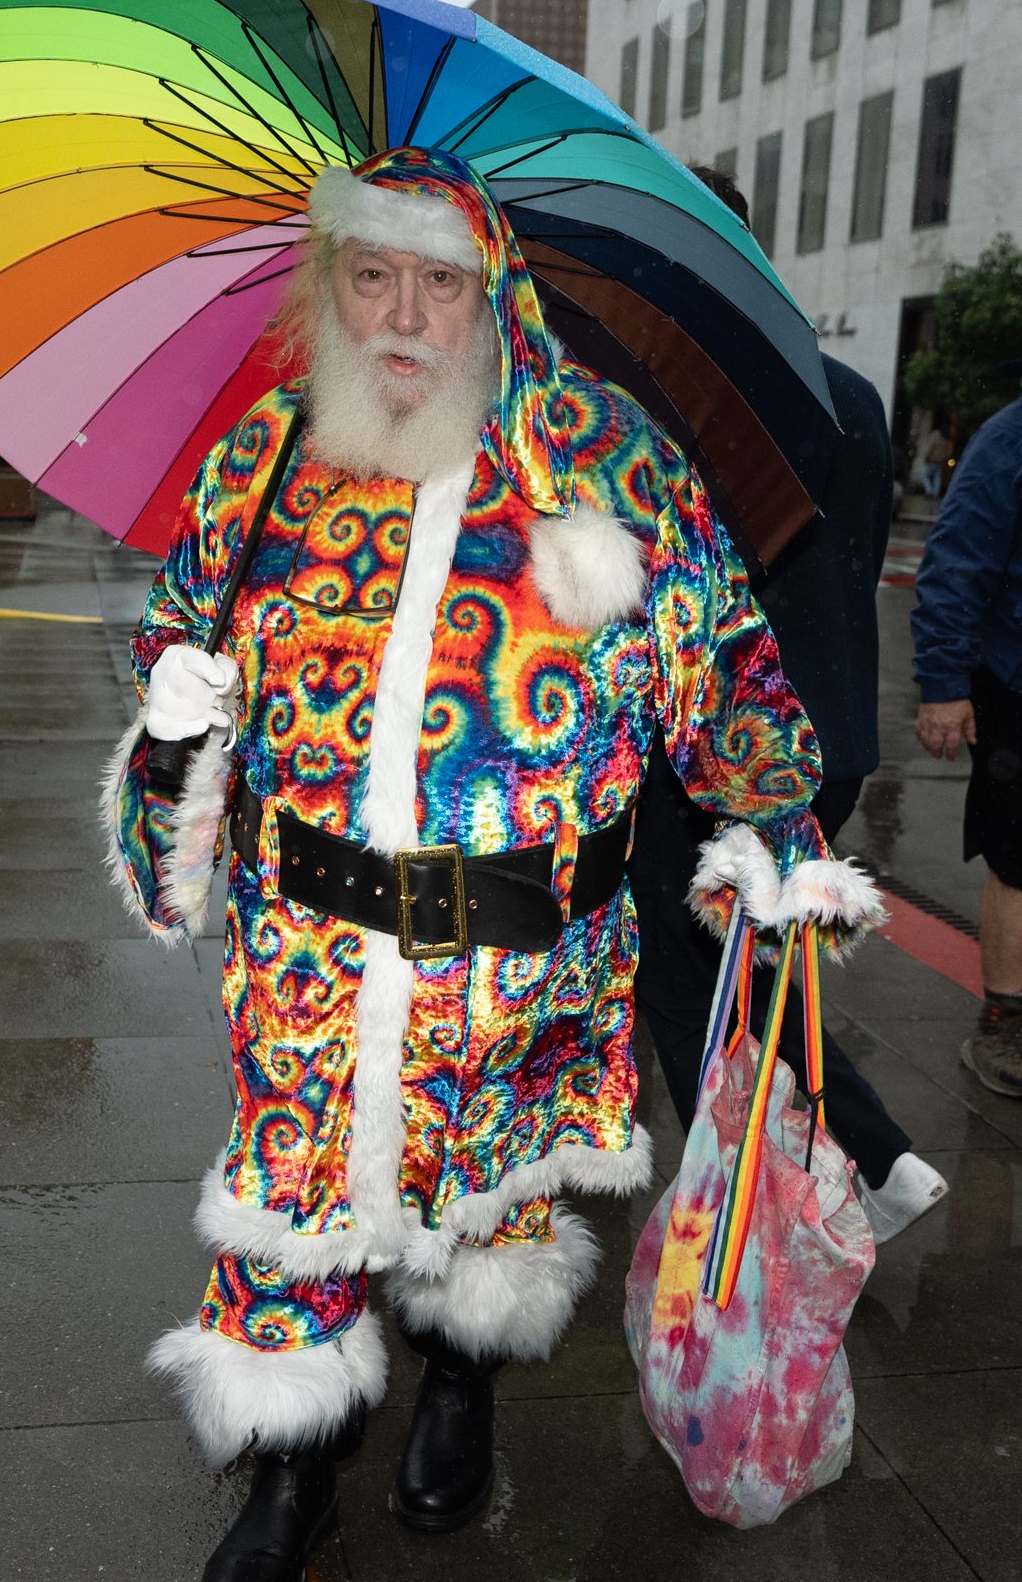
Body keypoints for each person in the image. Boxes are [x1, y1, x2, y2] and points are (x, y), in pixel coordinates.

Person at [103, 147, 883, 1582]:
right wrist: (172, 716)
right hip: (305, 952)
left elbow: (727, 670)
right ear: (329, 286)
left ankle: (459, 1383)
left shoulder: (612, 462)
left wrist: (781, 846)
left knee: (496, 1191)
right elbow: (173, 635)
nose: (404, 311)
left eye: (439, 280)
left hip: (533, 955)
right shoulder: (263, 456)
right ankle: (288, 1468)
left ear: (494, 294)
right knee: (292, 1199)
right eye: (371, 272)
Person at [628, 166, 948, 1244]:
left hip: (723, 752)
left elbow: (691, 603)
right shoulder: (847, 390)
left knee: (684, 979)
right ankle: (878, 1156)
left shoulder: (695, 398)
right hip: (836, 733)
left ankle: (754, 1205)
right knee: (745, 965)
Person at [912, 384, 1022, 1097]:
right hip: (1014, 682)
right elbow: (953, 564)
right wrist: (942, 685)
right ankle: (1004, 1022)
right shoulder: (1009, 437)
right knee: (1017, 859)